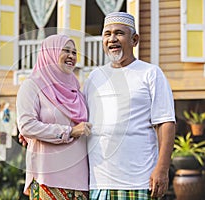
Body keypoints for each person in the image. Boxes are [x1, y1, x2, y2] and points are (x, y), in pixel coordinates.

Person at [83, 12, 176, 199]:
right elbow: (77, 119)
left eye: (119, 33)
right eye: (107, 34)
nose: (112, 39)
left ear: (134, 40)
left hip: (139, 181)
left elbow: (166, 123)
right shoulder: (94, 77)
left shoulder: (150, 73)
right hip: (99, 183)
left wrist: (162, 168)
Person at [16, 34, 92, 200]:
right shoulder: (32, 86)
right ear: (49, 53)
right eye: (65, 51)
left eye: (74, 52)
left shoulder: (76, 91)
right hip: (47, 178)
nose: (71, 56)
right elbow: (27, 125)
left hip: (80, 180)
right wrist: (69, 131)